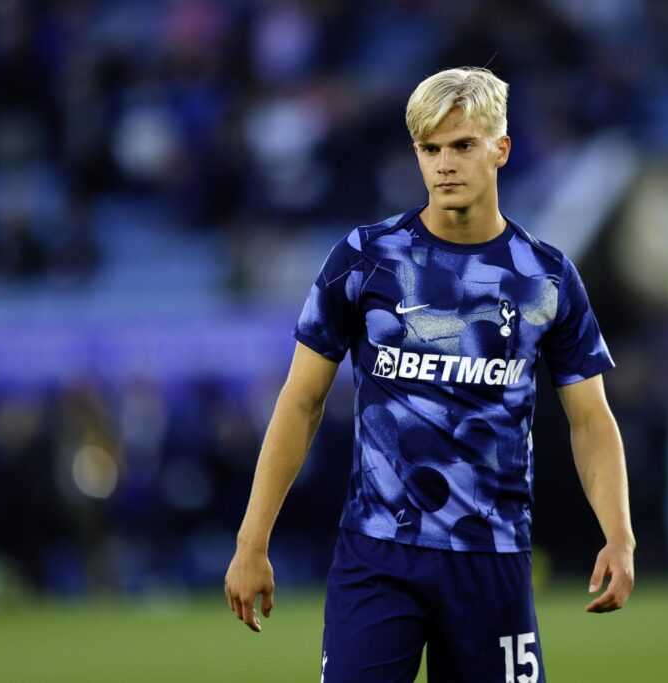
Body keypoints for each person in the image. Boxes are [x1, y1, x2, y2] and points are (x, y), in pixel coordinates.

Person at [224, 66, 635, 682]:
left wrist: (619, 534)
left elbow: (590, 419)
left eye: (462, 145)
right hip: (377, 554)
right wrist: (252, 540)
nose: (444, 163)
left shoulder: (545, 278)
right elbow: (301, 402)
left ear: (500, 149)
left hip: (491, 558)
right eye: (430, 148)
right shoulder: (365, 259)